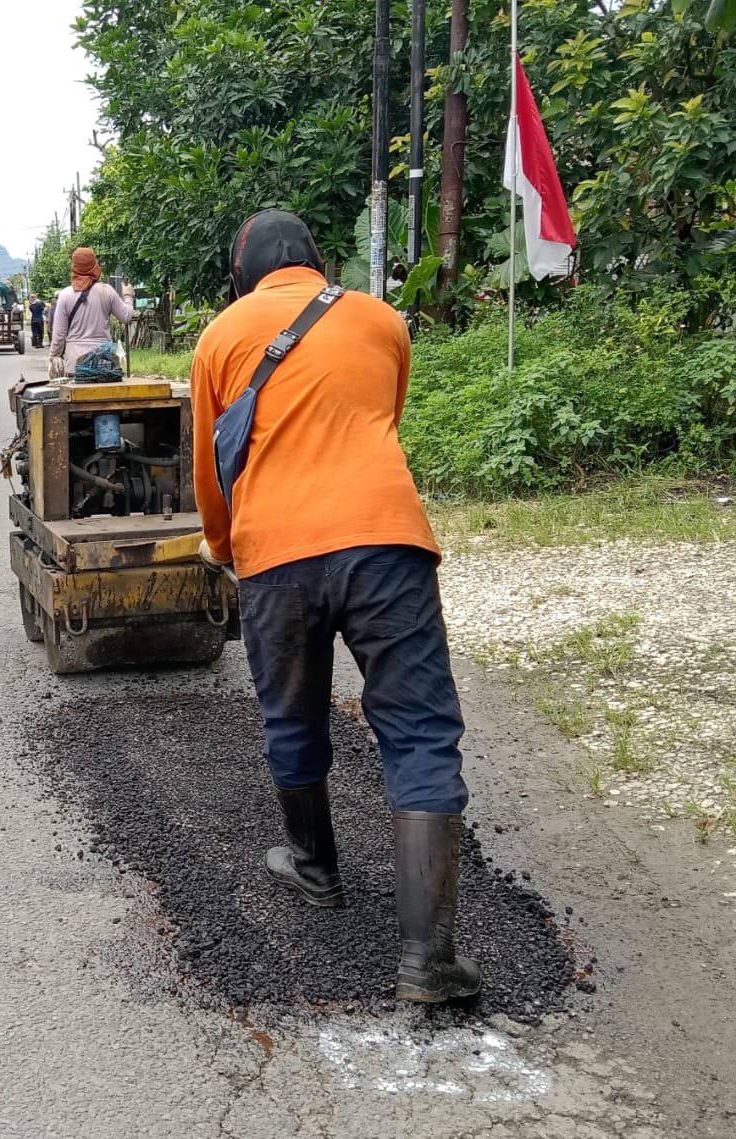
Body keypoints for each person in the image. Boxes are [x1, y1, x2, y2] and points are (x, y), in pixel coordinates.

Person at [189, 209, 481, 1005]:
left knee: (292, 714)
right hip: (386, 541)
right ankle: (429, 960)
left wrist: (225, 543)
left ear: (242, 277)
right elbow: (383, 418)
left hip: (275, 551)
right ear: (319, 264)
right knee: (419, 728)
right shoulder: (383, 321)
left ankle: (316, 868)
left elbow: (214, 464)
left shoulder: (220, 336)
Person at [48, 248, 134, 375]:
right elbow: (126, 316)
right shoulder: (107, 291)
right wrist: (128, 296)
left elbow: (59, 336)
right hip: (103, 362)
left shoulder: (65, 295)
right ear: (95, 265)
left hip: (75, 365)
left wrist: (53, 358)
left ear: (74, 267)